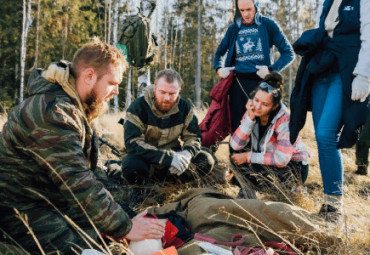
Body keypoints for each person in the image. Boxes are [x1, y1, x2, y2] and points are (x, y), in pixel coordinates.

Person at [0, 38, 166, 254]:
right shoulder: (52, 112)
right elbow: (77, 180)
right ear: (89, 76)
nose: (116, 91)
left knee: (111, 235)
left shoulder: (75, 107)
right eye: (112, 83)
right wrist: (126, 226)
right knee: (90, 249)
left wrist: (124, 214)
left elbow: (91, 171)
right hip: (19, 208)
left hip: (54, 199)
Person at [289, 0, 370, 223]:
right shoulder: (326, 3)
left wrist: (364, 76)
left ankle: (335, 205)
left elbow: (368, 37)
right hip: (321, 70)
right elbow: (321, 32)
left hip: (343, 73)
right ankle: (328, 204)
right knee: (322, 138)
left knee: (326, 133)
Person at [122, 69, 215, 185]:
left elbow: (194, 137)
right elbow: (132, 143)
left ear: (179, 91)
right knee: (131, 164)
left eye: (172, 94)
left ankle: (176, 185)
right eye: (162, 92)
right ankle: (142, 191)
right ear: (155, 88)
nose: (166, 98)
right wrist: (166, 158)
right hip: (147, 159)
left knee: (206, 160)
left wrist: (186, 154)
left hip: (175, 161)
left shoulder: (185, 108)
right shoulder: (138, 107)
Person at [214, 0, 294, 133]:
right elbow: (219, 53)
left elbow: (289, 53)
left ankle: (260, 154)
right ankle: (235, 154)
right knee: (238, 129)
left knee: (263, 129)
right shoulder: (233, 29)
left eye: (249, 9)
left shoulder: (268, 25)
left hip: (262, 84)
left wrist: (271, 70)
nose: (245, 14)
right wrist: (219, 69)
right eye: (242, 10)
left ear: (256, 6)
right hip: (237, 85)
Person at [230, 72, 310, 197]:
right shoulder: (252, 111)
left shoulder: (285, 120)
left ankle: (295, 190)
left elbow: (281, 159)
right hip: (268, 161)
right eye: (256, 100)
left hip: (293, 166)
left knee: (249, 165)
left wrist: (248, 157)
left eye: (265, 104)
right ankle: (247, 195)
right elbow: (235, 145)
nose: (257, 107)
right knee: (236, 155)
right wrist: (249, 119)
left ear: (274, 106)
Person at [355, 108, 369, 176]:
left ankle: (362, 168)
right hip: (363, 105)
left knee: (364, 139)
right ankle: (361, 168)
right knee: (361, 140)